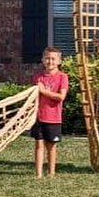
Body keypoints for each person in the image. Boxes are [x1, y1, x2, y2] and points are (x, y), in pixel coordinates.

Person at [31, 46, 69, 178]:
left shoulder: (62, 77)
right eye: (47, 58)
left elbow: (61, 97)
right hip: (39, 117)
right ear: (42, 60)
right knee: (39, 144)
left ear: (59, 61)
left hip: (53, 118)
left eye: (53, 59)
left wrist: (44, 91)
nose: (50, 61)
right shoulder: (38, 77)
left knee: (51, 147)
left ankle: (51, 173)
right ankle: (38, 174)